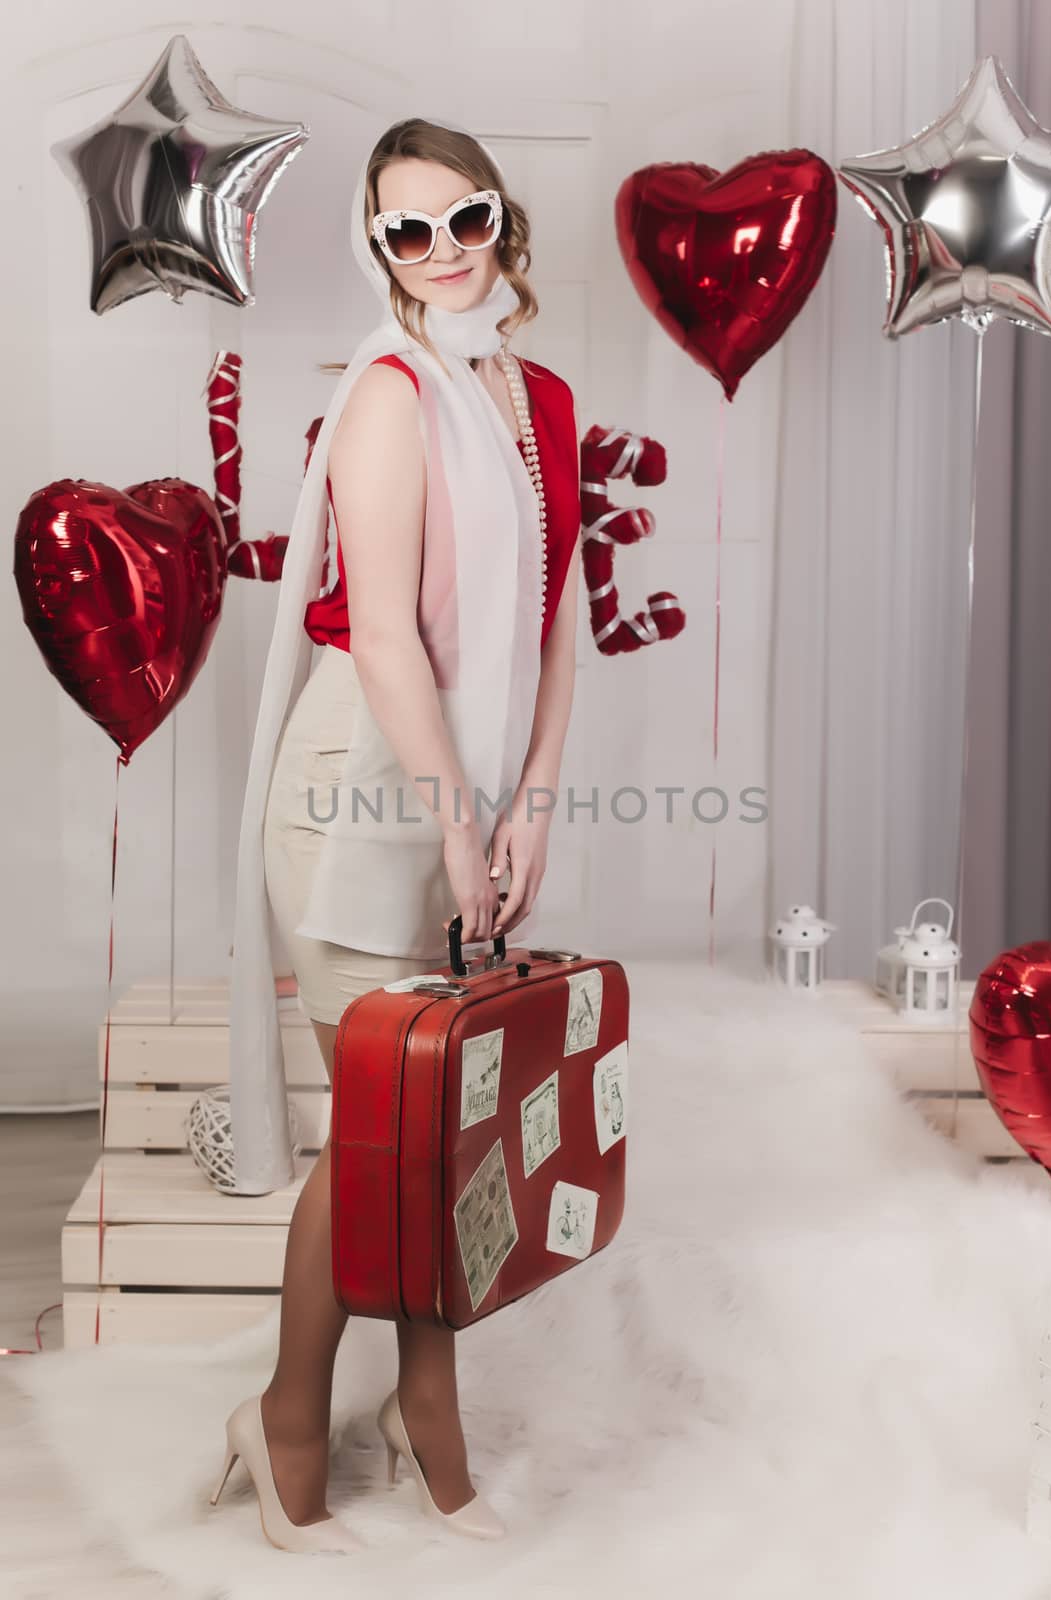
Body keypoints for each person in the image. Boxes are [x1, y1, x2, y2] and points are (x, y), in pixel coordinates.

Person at [213, 113, 582, 1554]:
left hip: (469, 791)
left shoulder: (537, 398)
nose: (439, 252)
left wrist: (533, 796)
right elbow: (377, 640)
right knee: (379, 1136)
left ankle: (423, 1419)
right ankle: (289, 1417)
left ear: (502, 219)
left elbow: (557, 629)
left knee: (438, 1140)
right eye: (405, 231)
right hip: (360, 795)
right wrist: (454, 828)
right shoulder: (386, 393)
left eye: (463, 219)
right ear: (378, 248)